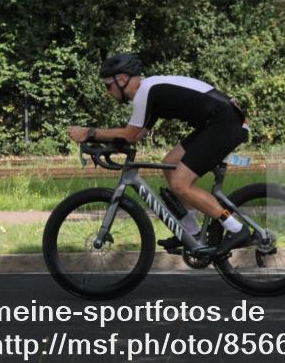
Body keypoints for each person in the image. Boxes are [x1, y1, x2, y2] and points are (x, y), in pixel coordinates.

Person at [68, 53, 251, 253]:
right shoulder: (151, 92)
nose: (107, 92)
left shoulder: (146, 91)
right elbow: (135, 136)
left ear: (121, 80)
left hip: (224, 124)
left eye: (107, 86)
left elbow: (129, 135)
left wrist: (89, 133)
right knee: (170, 163)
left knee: (181, 184)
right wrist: (102, 142)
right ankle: (192, 232)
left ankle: (236, 229)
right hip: (217, 123)